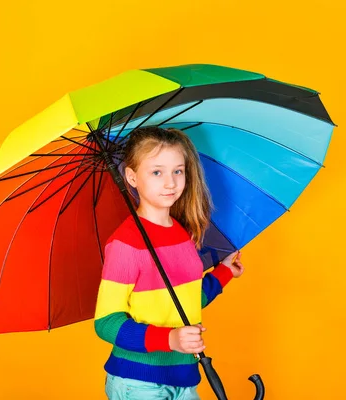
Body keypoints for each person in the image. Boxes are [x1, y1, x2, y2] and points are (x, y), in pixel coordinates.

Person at [94, 126, 244, 400]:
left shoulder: (182, 234)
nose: (170, 182)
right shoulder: (125, 245)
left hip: (184, 377)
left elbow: (185, 299)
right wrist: (169, 339)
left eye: (178, 171)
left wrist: (223, 273)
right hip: (138, 381)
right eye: (156, 172)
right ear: (131, 176)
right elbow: (106, 322)